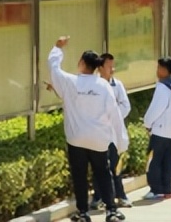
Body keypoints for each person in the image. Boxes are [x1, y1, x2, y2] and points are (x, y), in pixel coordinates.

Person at [47, 37, 128, 222]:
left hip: (76, 139)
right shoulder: (103, 85)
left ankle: (83, 212)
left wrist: (58, 48)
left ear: (82, 63)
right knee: (103, 173)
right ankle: (111, 210)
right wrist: (120, 141)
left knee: (79, 176)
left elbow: (54, 68)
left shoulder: (70, 82)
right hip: (99, 140)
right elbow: (114, 114)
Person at [90, 53, 132, 211]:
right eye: (109, 66)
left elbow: (125, 106)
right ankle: (98, 197)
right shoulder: (94, 85)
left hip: (114, 133)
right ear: (100, 68)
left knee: (116, 166)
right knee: (99, 166)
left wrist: (113, 116)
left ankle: (120, 195)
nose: (112, 69)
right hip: (99, 133)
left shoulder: (117, 85)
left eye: (113, 66)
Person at [143, 57, 171, 201]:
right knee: (167, 161)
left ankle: (156, 190)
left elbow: (156, 109)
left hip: (159, 131)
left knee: (154, 161)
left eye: (159, 68)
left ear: (165, 70)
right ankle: (167, 189)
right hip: (170, 132)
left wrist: (147, 123)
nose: (157, 71)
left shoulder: (162, 87)